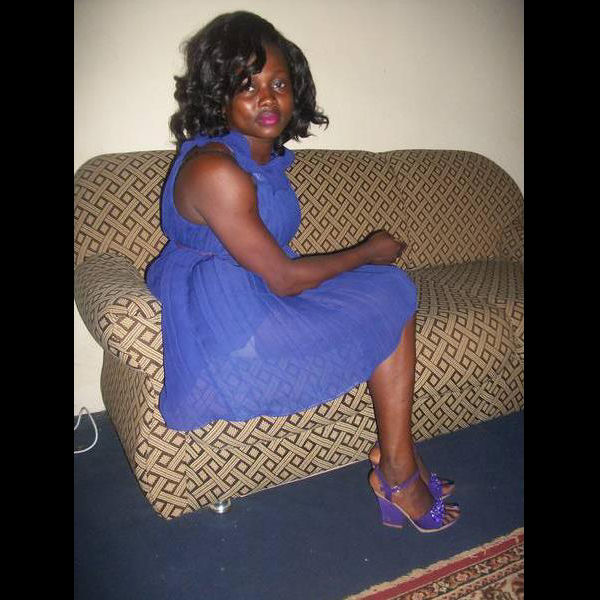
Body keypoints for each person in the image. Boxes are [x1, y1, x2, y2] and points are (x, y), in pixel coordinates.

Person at [146, 11, 459, 533]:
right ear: (219, 94)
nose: (267, 98)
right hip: (236, 325)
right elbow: (285, 278)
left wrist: (364, 262)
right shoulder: (216, 170)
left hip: (253, 294)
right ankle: (399, 471)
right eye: (247, 85)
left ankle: (401, 460)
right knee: (389, 288)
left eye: (279, 84)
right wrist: (367, 250)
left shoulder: (254, 160)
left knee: (389, 289)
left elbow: (274, 266)